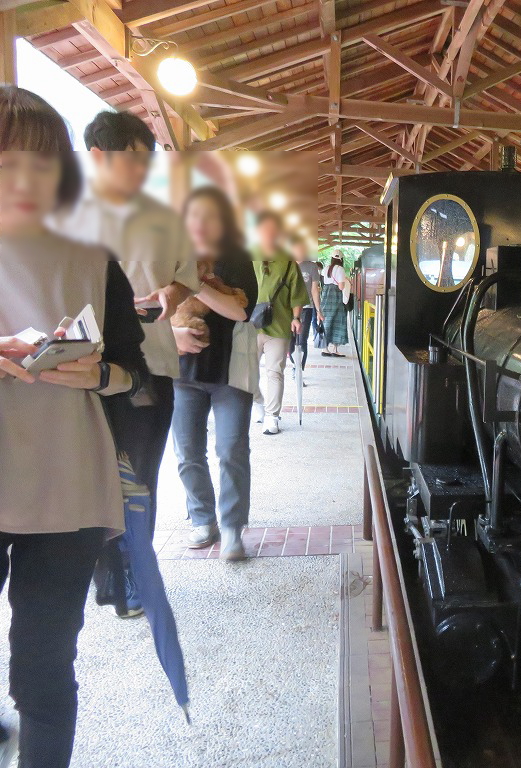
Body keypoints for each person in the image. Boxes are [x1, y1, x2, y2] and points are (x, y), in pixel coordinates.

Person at [0, 86, 147, 768]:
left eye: (40, 162)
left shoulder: (93, 260)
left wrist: (97, 376)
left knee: (43, 665)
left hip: (66, 489)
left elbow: (132, 372)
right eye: (7, 163)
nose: (26, 179)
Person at [55, 109, 198, 617]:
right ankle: (106, 577)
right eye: (134, 162)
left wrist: (171, 294)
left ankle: (134, 576)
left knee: (137, 477)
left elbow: (188, 279)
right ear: (98, 157)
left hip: (150, 366)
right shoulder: (64, 215)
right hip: (74, 376)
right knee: (91, 477)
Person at [172, 187, 259, 561]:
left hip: (229, 373)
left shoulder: (236, 257)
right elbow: (152, 309)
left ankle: (231, 527)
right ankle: (202, 518)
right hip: (181, 373)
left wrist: (196, 284)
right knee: (187, 451)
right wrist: (172, 334)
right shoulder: (172, 257)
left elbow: (240, 310)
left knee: (231, 448)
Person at [252, 211, 307, 436]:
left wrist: (296, 318)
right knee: (247, 372)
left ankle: (272, 416)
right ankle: (258, 404)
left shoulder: (287, 263)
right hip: (248, 326)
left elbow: (297, 294)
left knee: (275, 372)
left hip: (279, 326)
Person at [288, 235, 323, 373]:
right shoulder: (287, 265)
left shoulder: (311, 266)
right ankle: (293, 363)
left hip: (306, 308)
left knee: (302, 341)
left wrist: (319, 310)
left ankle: (299, 370)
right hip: (287, 309)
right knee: (289, 342)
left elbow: (315, 290)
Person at [321, 253, 351, 358]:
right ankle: (335, 349)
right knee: (338, 321)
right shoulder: (340, 269)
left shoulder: (326, 268)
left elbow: (323, 282)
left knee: (326, 321)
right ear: (341, 259)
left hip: (325, 296)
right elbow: (341, 286)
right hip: (336, 296)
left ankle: (325, 348)